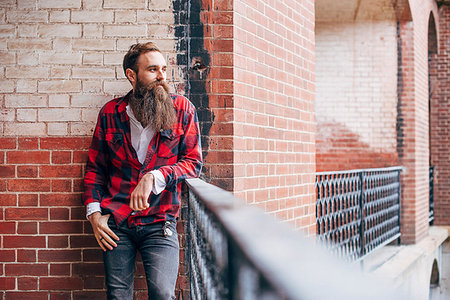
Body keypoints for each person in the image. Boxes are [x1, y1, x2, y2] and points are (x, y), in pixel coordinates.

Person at [82, 42, 203, 300]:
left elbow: (193, 164)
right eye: (153, 70)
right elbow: (95, 169)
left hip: (160, 221)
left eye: (164, 69)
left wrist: (155, 176)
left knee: (162, 293)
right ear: (131, 75)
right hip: (117, 223)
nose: (162, 76)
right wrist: (94, 215)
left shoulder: (182, 110)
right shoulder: (110, 113)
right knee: (118, 296)